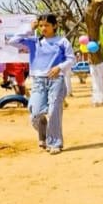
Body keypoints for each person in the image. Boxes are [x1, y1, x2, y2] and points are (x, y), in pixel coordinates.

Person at [7, 14, 75, 155]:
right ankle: (43, 131)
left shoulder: (62, 41)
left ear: (55, 26)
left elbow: (71, 59)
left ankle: (55, 143)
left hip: (56, 80)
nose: (43, 28)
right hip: (38, 81)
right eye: (41, 25)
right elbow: (13, 41)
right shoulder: (34, 41)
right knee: (35, 112)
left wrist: (60, 67)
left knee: (54, 112)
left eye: (47, 25)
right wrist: (29, 29)